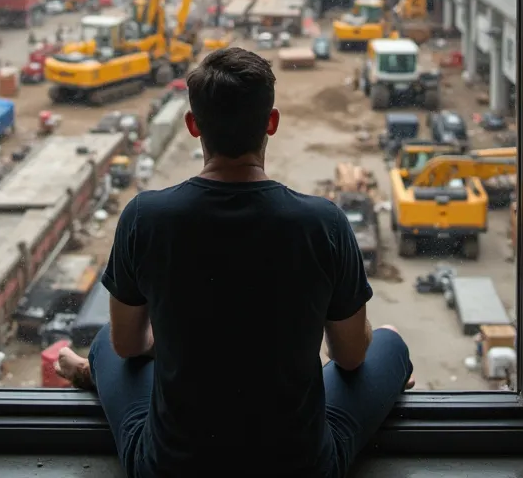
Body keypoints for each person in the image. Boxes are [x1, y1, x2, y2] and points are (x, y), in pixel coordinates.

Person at [56, 47, 413, 478]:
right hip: (301, 468)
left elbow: (128, 346)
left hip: (170, 469)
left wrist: (169, 345)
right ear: (272, 122)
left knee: (104, 347)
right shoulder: (323, 223)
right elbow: (351, 357)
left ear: (193, 125)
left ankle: (93, 377)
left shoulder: (145, 217)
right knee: (389, 342)